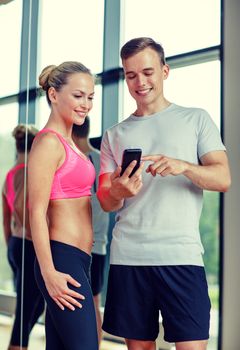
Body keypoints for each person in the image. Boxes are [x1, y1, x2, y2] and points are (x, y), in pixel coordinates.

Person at [97, 37, 231, 350]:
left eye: (147, 72)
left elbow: (222, 178)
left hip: (181, 255)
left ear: (165, 71)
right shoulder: (114, 135)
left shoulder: (196, 119)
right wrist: (118, 189)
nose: (140, 82)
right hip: (129, 257)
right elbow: (105, 200)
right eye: (131, 75)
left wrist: (184, 166)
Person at [27, 62, 98, 350]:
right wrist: (49, 272)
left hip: (78, 260)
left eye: (91, 97)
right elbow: (35, 211)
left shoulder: (70, 143)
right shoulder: (48, 143)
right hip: (61, 260)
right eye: (79, 96)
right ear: (54, 95)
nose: (86, 105)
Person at [2, 124, 45, 350]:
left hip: (16, 245)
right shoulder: (32, 171)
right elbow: (20, 208)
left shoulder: (10, 175)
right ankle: (17, 345)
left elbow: (6, 219)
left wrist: (12, 248)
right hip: (28, 245)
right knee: (25, 310)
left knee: (33, 306)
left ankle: (18, 344)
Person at [72, 116, 109, 345]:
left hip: (79, 244)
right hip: (100, 244)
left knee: (78, 303)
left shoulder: (76, 161)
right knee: (93, 303)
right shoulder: (101, 160)